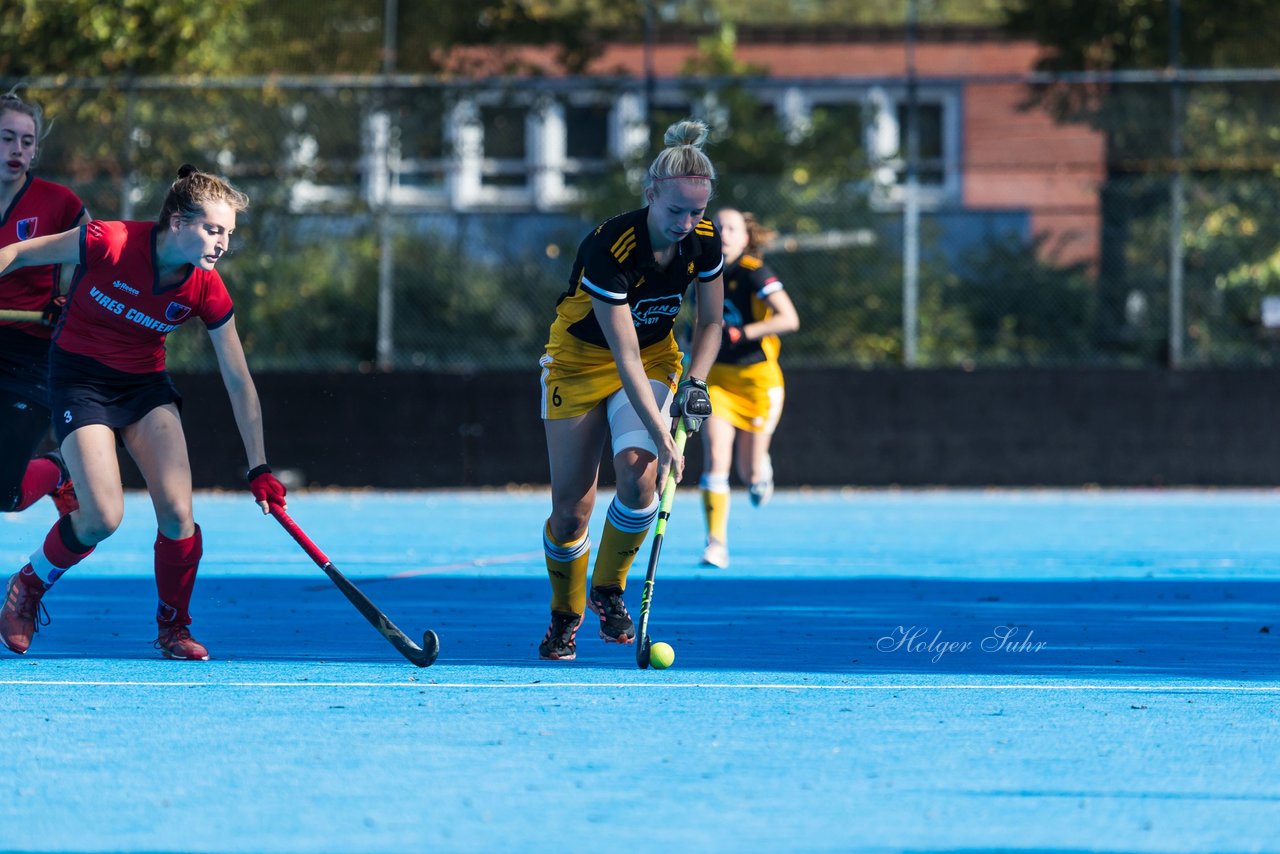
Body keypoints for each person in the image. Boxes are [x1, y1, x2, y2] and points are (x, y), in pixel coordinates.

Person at [0, 164, 287, 661]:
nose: (222, 244)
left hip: (144, 388)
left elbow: (238, 379)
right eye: (213, 230)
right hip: (80, 381)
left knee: (179, 515)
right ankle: (28, 584)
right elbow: (21, 252)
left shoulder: (205, 287)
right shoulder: (107, 242)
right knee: (102, 518)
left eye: (229, 234)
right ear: (177, 221)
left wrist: (259, 466)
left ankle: (173, 627)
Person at [537, 119, 724, 660]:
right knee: (572, 507)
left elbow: (710, 323)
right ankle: (564, 615)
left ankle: (608, 589)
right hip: (577, 363)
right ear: (650, 197)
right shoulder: (611, 246)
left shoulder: (704, 242)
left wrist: (694, 383)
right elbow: (620, 357)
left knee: (641, 479)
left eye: (698, 212)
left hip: (654, 357)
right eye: (676, 211)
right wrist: (668, 434)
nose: (688, 223)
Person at [0, 90, 92, 523]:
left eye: (26, 141)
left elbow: (102, 259)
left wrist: (70, 301)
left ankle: (58, 470)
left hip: (31, 356)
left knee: (4, 494)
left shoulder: (60, 203)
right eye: (6, 138)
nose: (17, 150)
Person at [698, 208, 800, 569]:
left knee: (750, 473)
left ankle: (762, 471)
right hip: (719, 382)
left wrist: (744, 333)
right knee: (716, 460)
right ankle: (716, 543)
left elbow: (789, 319)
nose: (723, 233)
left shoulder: (756, 273)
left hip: (758, 383)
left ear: (745, 238)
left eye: (731, 228)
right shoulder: (700, 270)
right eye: (716, 227)